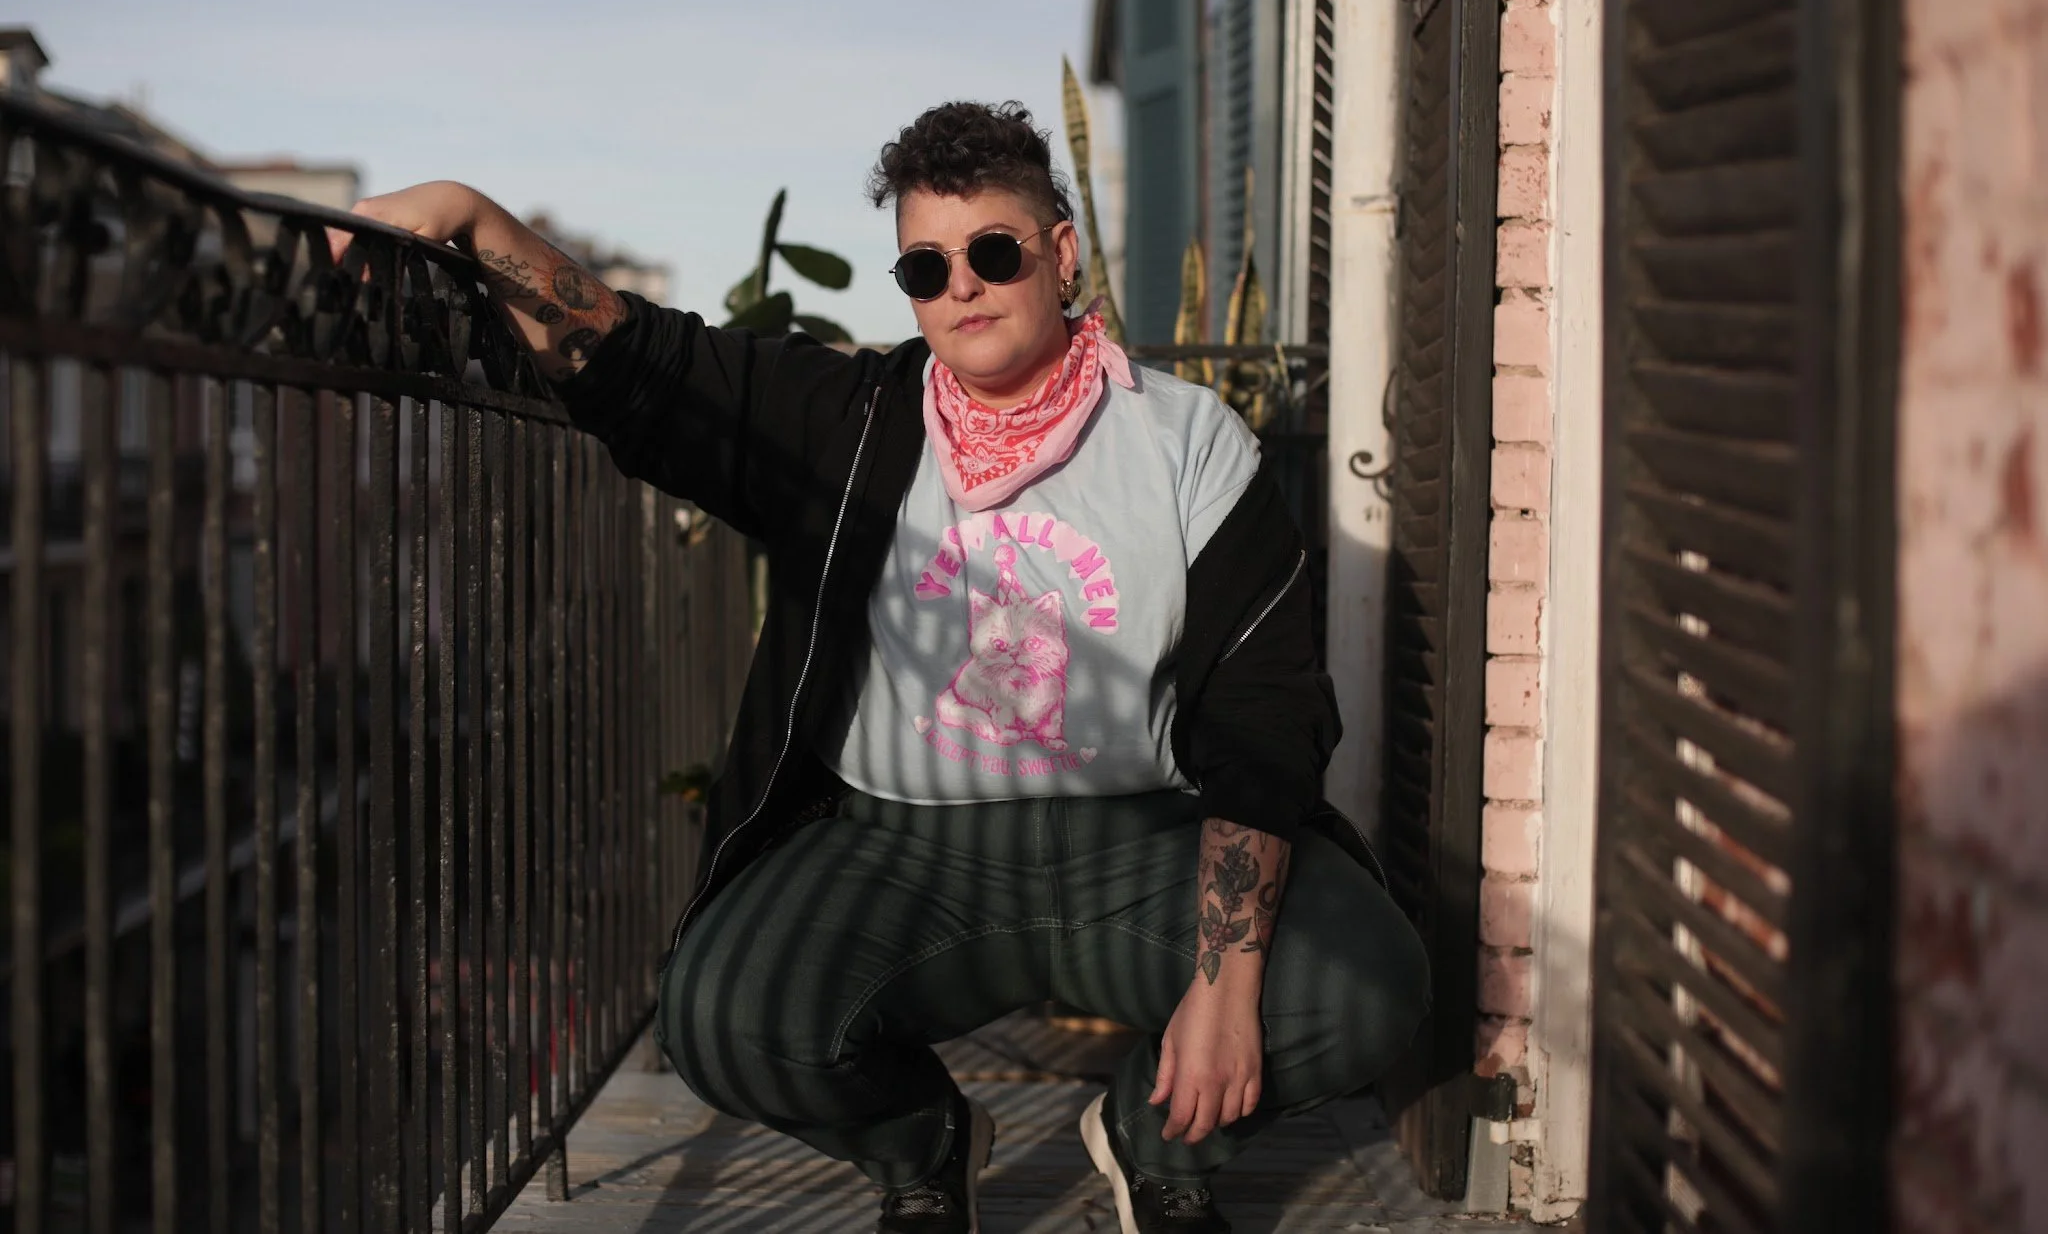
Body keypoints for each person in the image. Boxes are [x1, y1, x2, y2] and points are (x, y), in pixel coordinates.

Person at [335, 101, 1429, 1234]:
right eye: (925, 264)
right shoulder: (853, 419)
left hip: (1137, 840)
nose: (961, 285)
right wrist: (469, 217)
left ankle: (1154, 1145)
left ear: (1060, 252)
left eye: (993, 252)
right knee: (723, 1012)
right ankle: (927, 1149)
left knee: (1361, 989)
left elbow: (1262, 714)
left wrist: (1225, 985)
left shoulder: (1187, 440)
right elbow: (631, 357)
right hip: (903, 844)